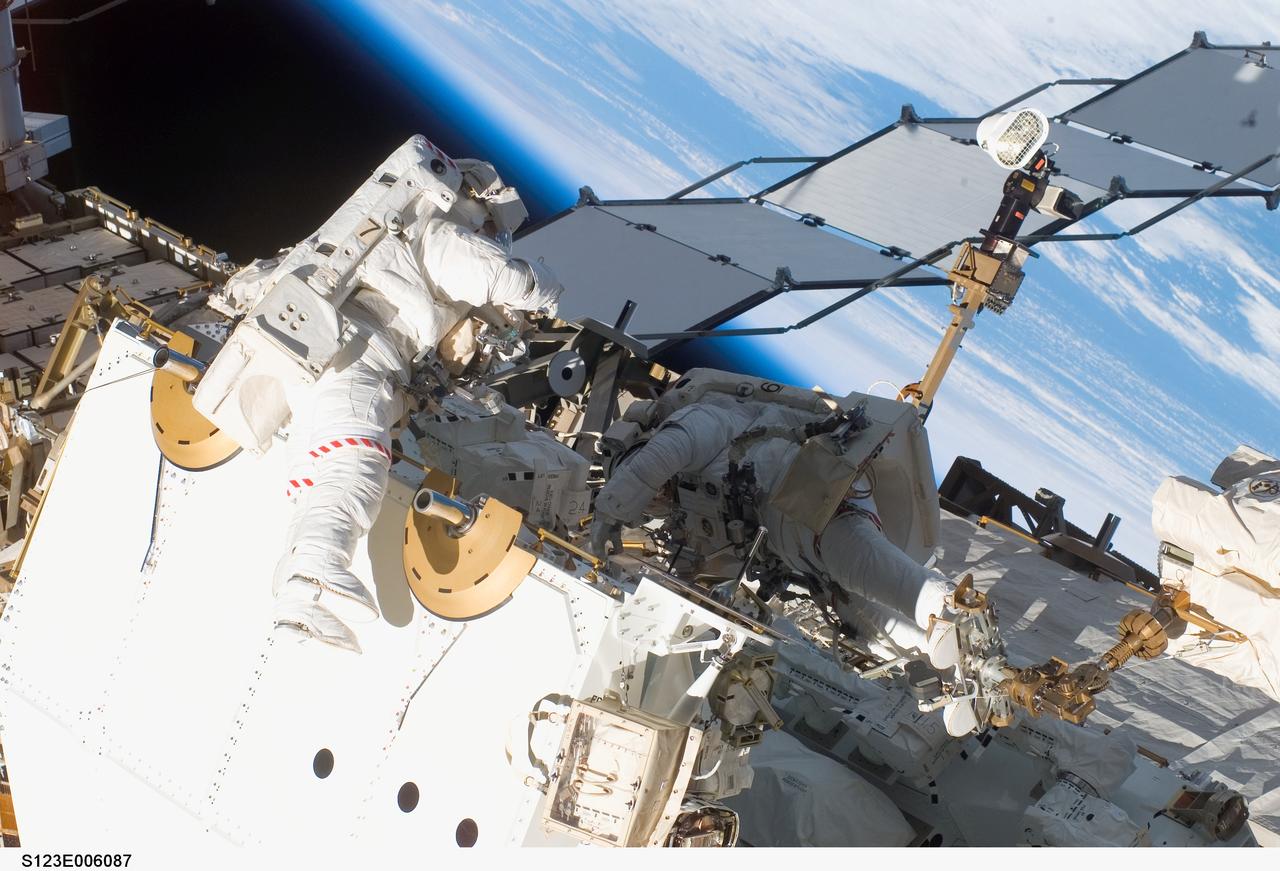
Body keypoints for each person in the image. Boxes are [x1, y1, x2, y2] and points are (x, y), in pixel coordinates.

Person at [203, 138, 562, 652]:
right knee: (355, 465)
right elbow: (509, 279)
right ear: (476, 203)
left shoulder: (395, 234)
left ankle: (298, 595)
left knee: (318, 478)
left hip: (325, 358)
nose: (489, 236)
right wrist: (551, 289)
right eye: (490, 226)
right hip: (359, 362)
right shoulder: (441, 236)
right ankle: (316, 574)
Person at [589, 376, 950, 656]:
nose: (657, 497)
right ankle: (943, 656)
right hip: (796, 547)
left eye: (653, 490)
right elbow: (699, 576)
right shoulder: (686, 516)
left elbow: (658, 458)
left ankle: (950, 608)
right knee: (865, 619)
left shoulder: (699, 421)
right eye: (652, 504)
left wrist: (608, 515)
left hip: (806, 499)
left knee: (877, 571)